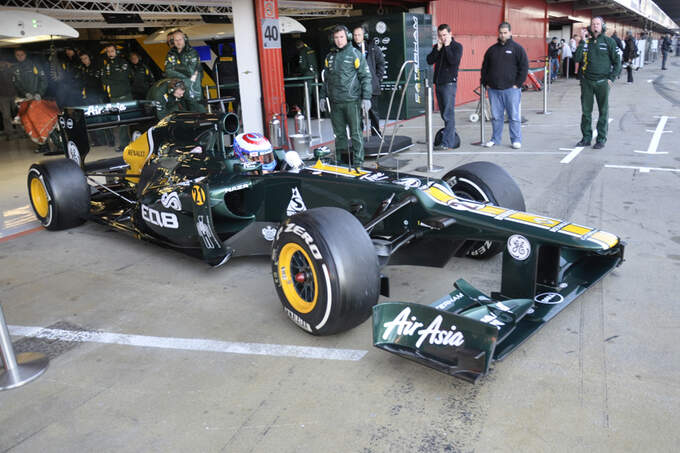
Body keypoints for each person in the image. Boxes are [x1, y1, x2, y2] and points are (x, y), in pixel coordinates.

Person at [320, 25, 372, 167]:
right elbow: (326, 80)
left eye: (341, 37)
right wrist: (322, 97)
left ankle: (358, 163)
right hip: (335, 102)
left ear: (347, 37)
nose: (339, 40)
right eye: (336, 37)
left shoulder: (355, 54)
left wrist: (366, 98)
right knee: (339, 135)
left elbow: (366, 77)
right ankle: (342, 162)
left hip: (352, 102)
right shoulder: (329, 57)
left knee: (356, 134)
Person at [573, 17, 621, 149]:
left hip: (603, 82)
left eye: (598, 24)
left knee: (603, 111)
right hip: (587, 82)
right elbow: (576, 58)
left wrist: (612, 78)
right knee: (586, 112)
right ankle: (586, 138)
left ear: (602, 26)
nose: (595, 26)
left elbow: (618, 61)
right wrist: (582, 41)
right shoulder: (586, 42)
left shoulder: (609, 42)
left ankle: (601, 139)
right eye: (593, 24)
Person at [480, 22, 528, 149]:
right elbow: (484, 68)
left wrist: (518, 84)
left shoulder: (517, 49)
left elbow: (524, 67)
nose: (502, 35)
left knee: (513, 116)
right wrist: (485, 83)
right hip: (493, 90)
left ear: (510, 33)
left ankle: (516, 140)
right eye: (501, 33)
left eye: (505, 33)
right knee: (496, 116)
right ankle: (495, 139)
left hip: (511, 90)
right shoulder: (492, 50)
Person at [426, 24, 463, 150]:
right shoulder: (438, 46)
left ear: (450, 33)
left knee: (448, 113)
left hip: (449, 84)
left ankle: (447, 143)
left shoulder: (457, 46)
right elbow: (429, 60)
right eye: (440, 35)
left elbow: (453, 61)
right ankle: (449, 136)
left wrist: (446, 47)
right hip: (439, 83)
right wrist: (438, 48)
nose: (442, 38)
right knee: (444, 113)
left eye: (445, 35)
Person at [352, 25, 385, 136]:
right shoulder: (350, 48)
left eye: (359, 35)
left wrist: (377, 78)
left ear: (364, 36)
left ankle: (376, 134)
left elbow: (381, 63)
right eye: (355, 35)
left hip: (371, 86)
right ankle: (359, 136)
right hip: (356, 87)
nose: (357, 37)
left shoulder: (372, 47)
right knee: (357, 114)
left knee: (373, 112)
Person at [100, 43, 133, 151]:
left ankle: (134, 142)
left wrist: (112, 80)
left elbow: (123, 77)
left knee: (130, 120)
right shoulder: (106, 65)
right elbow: (104, 80)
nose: (110, 53)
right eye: (108, 51)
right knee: (119, 122)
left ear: (116, 51)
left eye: (112, 51)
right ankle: (124, 144)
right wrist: (115, 79)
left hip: (126, 96)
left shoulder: (123, 63)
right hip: (114, 97)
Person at [165, 30, 203, 101]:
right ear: (173, 41)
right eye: (176, 40)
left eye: (180, 39)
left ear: (184, 39)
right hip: (178, 92)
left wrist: (174, 67)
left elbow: (190, 72)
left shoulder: (192, 52)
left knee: (198, 111)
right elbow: (168, 71)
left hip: (193, 91)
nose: (178, 42)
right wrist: (184, 77)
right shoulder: (171, 53)